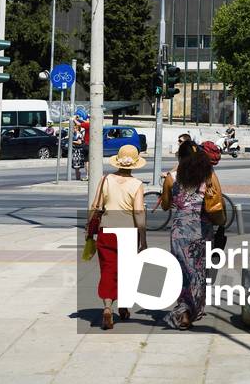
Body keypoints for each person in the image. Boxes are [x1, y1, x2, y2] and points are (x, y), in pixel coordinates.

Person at [161, 140, 224, 329]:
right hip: (202, 229)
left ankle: (184, 309)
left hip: (180, 231)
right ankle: (194, 308)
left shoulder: (171, 177)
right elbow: (217, 198)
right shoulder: (208, 175)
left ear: (180, 157)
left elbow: (165, 205)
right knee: (199, 270)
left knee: (182, 271)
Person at [86, 143, 146, 330]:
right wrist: (143, 239)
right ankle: (124, 306)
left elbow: (95, 205)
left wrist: (89, 229)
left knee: (108, 269)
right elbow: (139, 213)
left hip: (107, 230)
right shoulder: (137, 185)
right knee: (126, 271)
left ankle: (107, 307)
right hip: (128, 232)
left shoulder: (106, 180)